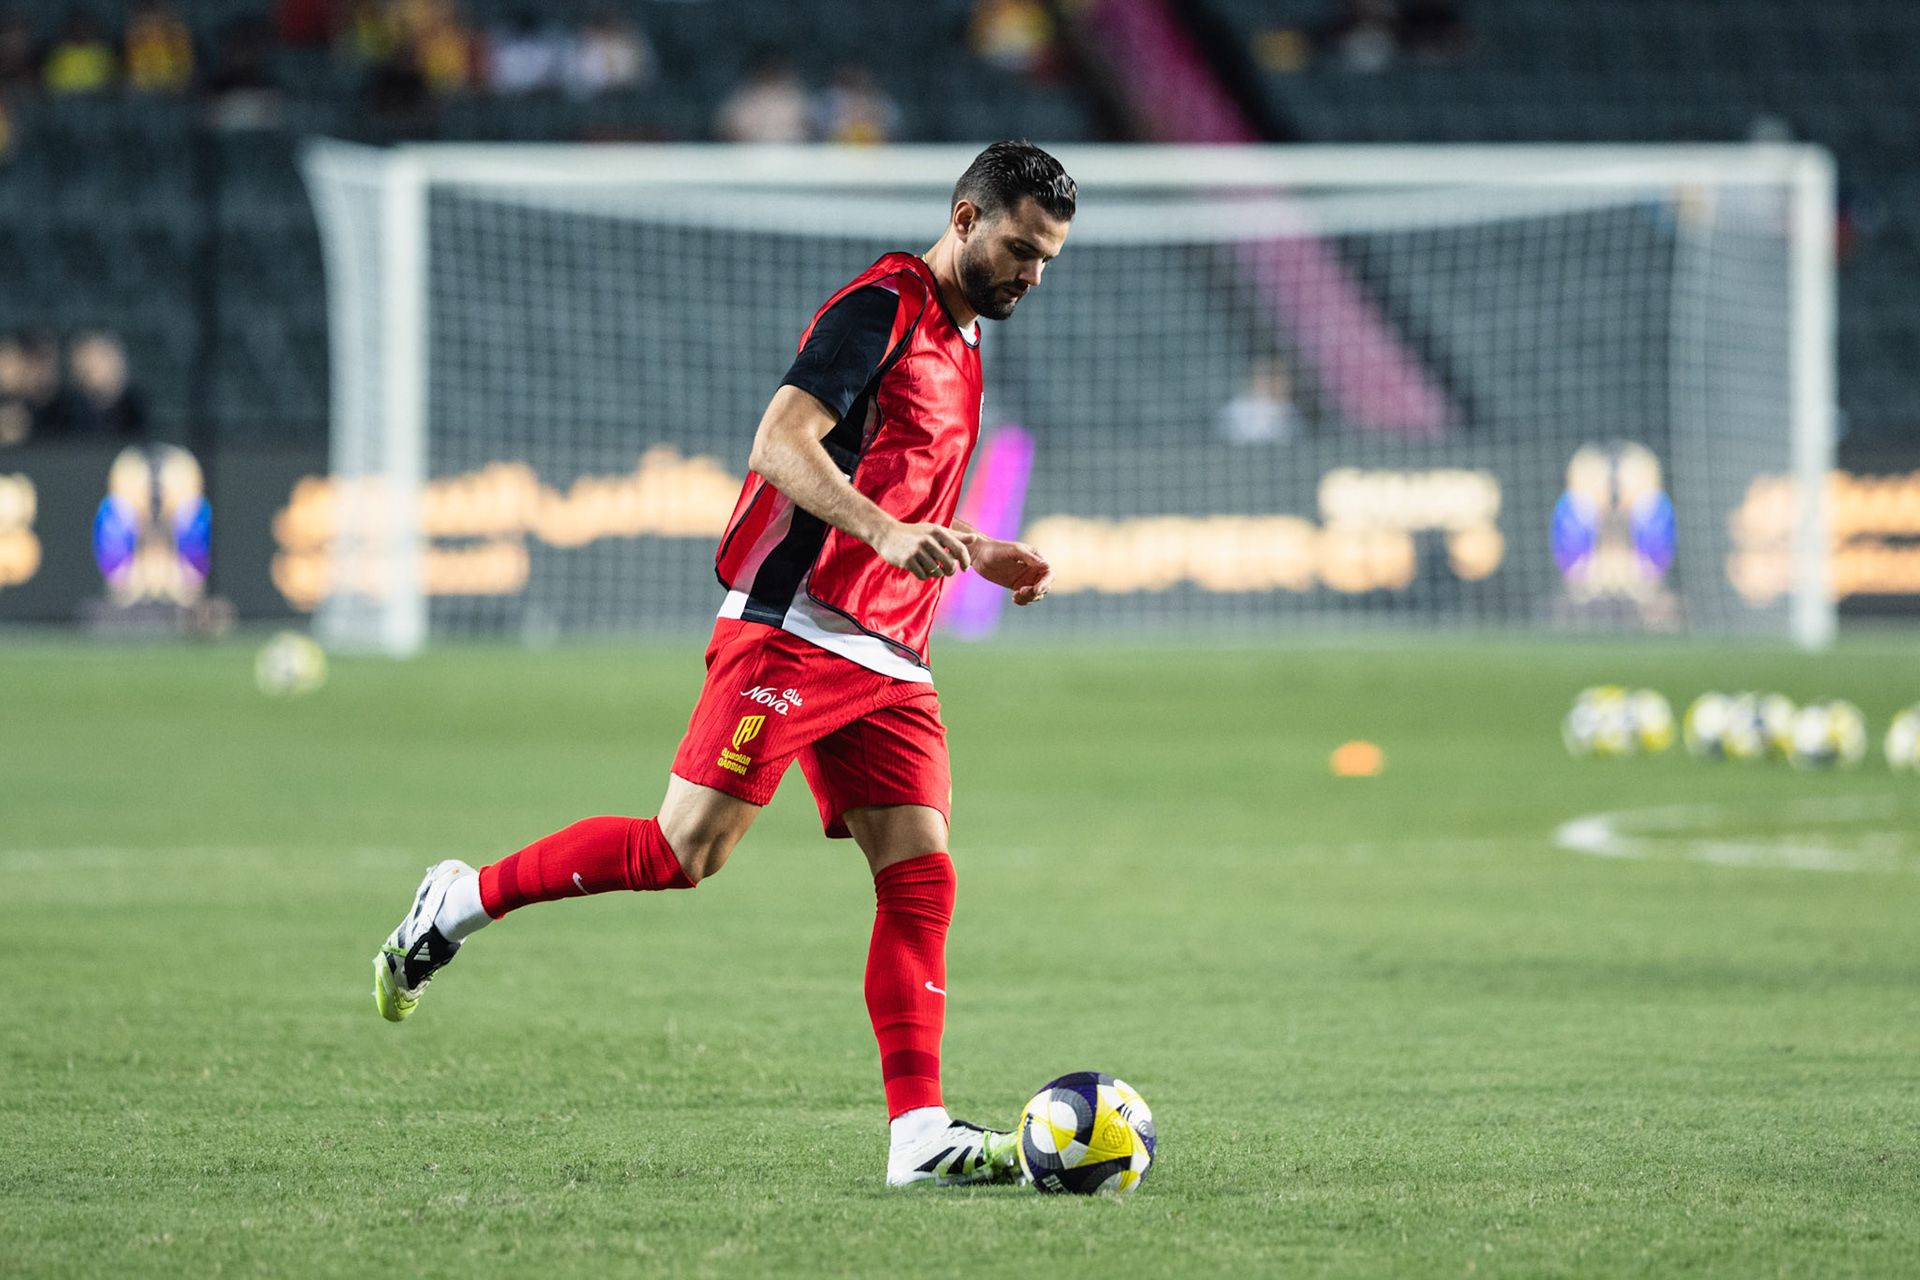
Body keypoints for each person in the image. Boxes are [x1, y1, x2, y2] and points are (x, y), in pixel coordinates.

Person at [372, 141, 1076, 1188]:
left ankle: (918, 1133)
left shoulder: (967, 342)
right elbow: (781, 445)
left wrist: (972, 546)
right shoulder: (880, 304)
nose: (1032, 272)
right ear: (967, 218)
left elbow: (897, 485)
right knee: (683, 850)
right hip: (793, 626)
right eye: (1020, 248)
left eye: (1049, 259)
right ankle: (459, 897)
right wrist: (886, 534)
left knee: (921, 875)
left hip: (891, 650)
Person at [713, 50, 809, 143]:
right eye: (768, 67)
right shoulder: (741, 98)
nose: (771, 71)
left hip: (790, 155)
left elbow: (807, 134)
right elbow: (725, 132)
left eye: (775, 67)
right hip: (747, 156)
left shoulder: (797, 98)